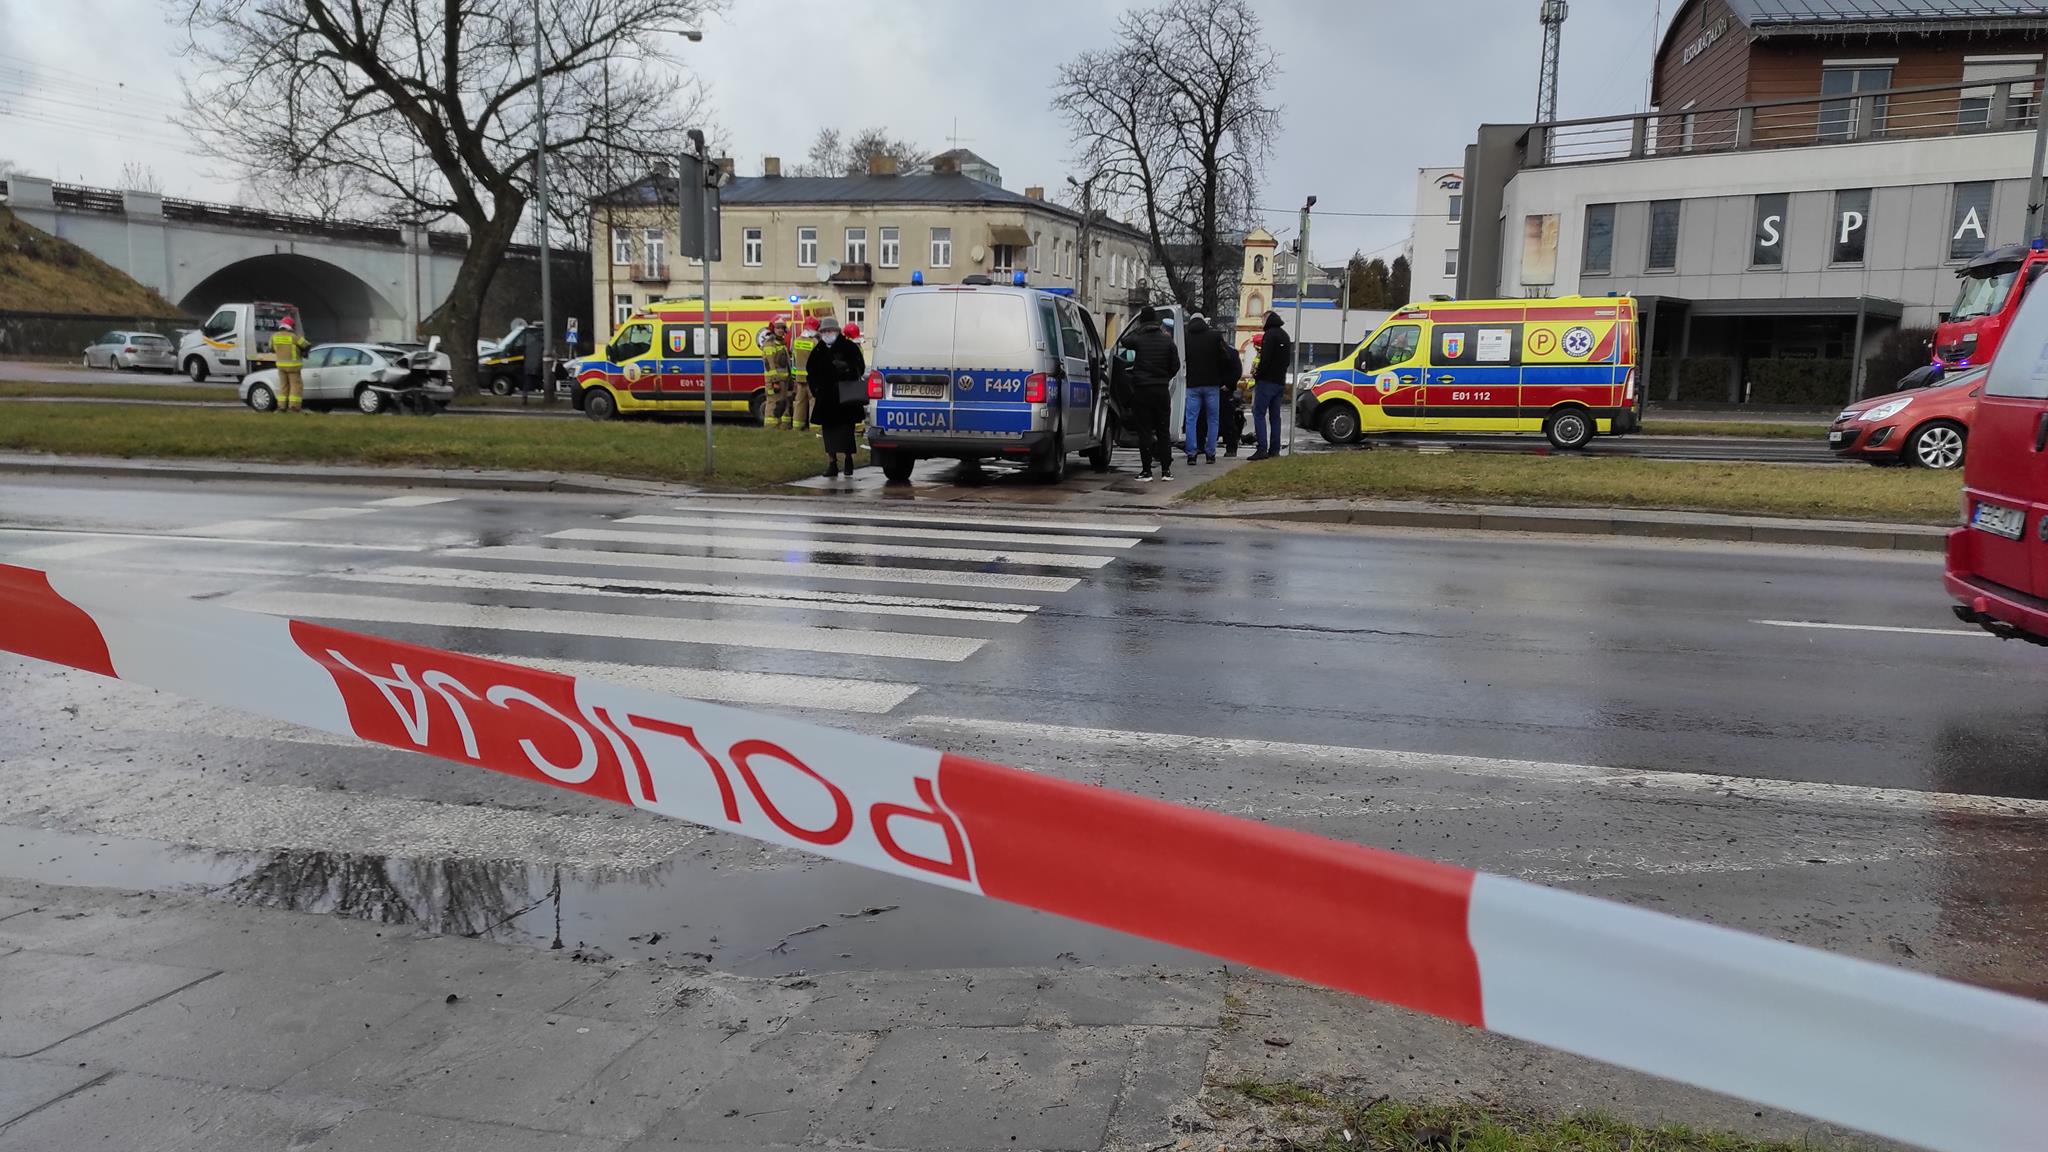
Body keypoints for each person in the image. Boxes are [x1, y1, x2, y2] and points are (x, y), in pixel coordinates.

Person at [1124, 305, 1181, 482]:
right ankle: (1166, 470)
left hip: (1142, 390)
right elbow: (1176, 365)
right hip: (1161, 390)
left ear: (1142, 321)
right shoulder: (1167, 341)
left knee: (1145, 431)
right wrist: (1165, 377)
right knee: (1163, 430)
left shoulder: (1139, 339)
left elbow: (1124, 341)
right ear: (1156, 321)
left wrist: (1138, 329)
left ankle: (1146, 471)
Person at [806, 315, 867, 478]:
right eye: (824, 331)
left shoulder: (849, 347)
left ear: (837, 331)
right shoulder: (818, 350)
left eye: (830, 330)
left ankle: (848, 459)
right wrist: (815, 389)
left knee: (846, 431)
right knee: (828, 433)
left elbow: (859, 367)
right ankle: (832, 462)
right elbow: (810, 371)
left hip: (845, 398)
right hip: (826, 399)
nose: (827, 334)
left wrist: (846, 368)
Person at [1181, 313, 1232, 466]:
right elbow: (1226, 358)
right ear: (1204, 321)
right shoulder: (1215, 336)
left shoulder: (1185, 338)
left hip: (1192, 385)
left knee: (1191, 420)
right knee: (1213, 419)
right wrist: (1220, 377)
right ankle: (1210, 454)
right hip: (1212, 384)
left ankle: (1191, 454)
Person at [1249, 312, 1291, 460]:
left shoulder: (1269, 335)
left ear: (1267, 319)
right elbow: (1287, 361)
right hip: (1279, 381)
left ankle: (1262, 448)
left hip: (1266, 381)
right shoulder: (1285, 336)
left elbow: (1265, 359)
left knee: (1259, 413)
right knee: (1275, 416)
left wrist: (1258, 375)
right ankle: (1274, 449)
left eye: (1262, 320)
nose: (1262, 323)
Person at [270, 315, 308, 412]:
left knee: (283, 387)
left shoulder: (274, 336)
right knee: (296, 386)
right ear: (291, 326)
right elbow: (306, 345)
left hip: (281, 366)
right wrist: (303, 352)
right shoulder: (294, 336)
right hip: (293, 367)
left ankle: (281, 407)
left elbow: (271, 348)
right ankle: (294, 407)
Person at [761, 318, 794, 428]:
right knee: (773, 402)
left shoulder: (781, 343)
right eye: (778, 328)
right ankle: (771, 427)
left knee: (784, 402)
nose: (780, 330)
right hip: (774, 380)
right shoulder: (770, 344)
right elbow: (770, 364)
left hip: (784, 380)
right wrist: (775, 380)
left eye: (782, 328)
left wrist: (789, 378)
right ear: (773, 329)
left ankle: (783, 427)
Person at [1219, 336, 1247, 457]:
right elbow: (1237, 371)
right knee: (1227, 419)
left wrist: (1227, 384)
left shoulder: (1228, 353)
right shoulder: (1232, 352)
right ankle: (1231, 447)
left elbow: (1237, 371)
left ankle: (1230, 446)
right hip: (1226, 389)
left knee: (1225, 419)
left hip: (1222, 389)